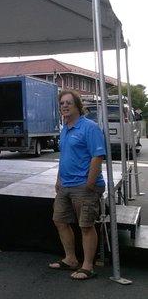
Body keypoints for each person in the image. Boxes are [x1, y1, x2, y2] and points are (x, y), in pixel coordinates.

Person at [48, 89, 106, 280]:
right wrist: (58, 179)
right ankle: (71, 259)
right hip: (65, 185)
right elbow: (64, 156)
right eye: (62, 103)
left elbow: (97, 156)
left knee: (86, 225)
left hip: (84, 185)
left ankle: (88, 266)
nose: (64, 106)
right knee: (59, 220)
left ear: (78, 106)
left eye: (68, 103)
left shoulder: (89, 127)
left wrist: (90, 183)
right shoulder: (65, 128)